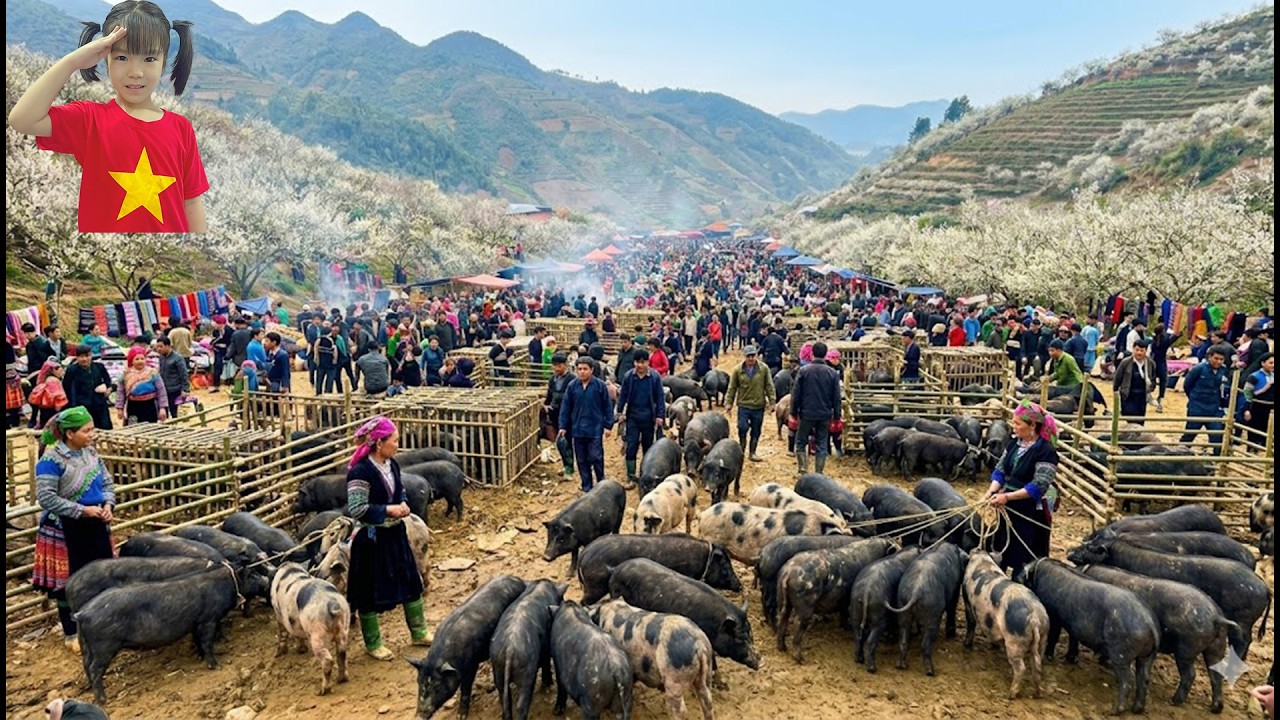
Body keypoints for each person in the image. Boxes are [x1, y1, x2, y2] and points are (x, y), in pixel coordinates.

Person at [8, 4, 208, 232]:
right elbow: (22, 120)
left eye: (149, 58)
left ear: (164, 61)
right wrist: (71, 62)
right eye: (122, 57)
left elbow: (191, 202)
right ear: (105, 60)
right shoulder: (89, 119)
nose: (136, 71)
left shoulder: (181, 127)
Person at [344, 416, 431, 659]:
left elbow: (399, 489)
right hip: (371, 539)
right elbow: (357, 508)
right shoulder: (360, 472)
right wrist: (388, 510)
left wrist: (402, 501)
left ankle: (419, 631)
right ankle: (373, 644)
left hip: (394, 534)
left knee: (410, 580)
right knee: (369, 592)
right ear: (379, 443)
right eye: (394, 440)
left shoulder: (392, 465)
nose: (397, 445)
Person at [32, 407, 116, 654]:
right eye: (86, 430)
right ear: (70, 434)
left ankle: (101, 623)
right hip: (64, 527)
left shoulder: (90, 454)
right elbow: (46, 498)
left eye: (92, 430)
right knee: (68, 581)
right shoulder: (50, 461)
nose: (92, 435)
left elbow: (108, 483)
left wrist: (108, 504)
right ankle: (71, 632)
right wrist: (82, 510)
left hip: (96, 522)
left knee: (101, 574)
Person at [985, 402, 1059, 574]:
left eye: (1018, 423)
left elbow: (1037, 487)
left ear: (1032, 425)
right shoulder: (1014, 444)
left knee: (1025, 553)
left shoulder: (1046, 451)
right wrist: (991, 491)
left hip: (1031, 510)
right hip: (1009, 506)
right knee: (1003, 544)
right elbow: (1001, 470)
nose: (1013, 427)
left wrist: (1007, 497)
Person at [558, 357, 614, 492]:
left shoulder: (600, 386)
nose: (582, 372)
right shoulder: (572, 386)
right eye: (579, 369)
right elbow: (565, 407)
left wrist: (608, 425)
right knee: (582, 459)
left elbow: (608, 406)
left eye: (585, 369)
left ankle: (601, 483)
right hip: (577, 428)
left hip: (595, 428)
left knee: (596, 456)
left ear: (592, 370)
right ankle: (587, 486)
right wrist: (563, 426)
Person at [615, 349, 665, 489]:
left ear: (648, 362)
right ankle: (631, 477)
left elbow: (660, 398)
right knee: (631, 446)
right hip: (632, 417)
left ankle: (646, 475)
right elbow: (623, 395)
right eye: (637, 362)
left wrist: (660, 415)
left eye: (642, 362)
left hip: (649, 418)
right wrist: (619, 411)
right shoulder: (629, 377)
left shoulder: (654, 377)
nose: (639, 365)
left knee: (648, 447)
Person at [790, 341, 841, 475]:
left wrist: (793, 412)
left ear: (812, 354)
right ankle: (819, 472)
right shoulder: (832, 373)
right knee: (822, 443)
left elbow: (796, 394)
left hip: (806, 413)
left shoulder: (804, 371)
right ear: (825, 355)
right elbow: (836, 397)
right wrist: (837, 416)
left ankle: (803, 468)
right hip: (824, 414)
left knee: (801, 441)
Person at [726, 345, 776, 463]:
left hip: (758, 405)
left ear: (756, 356)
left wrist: (772, 401)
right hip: (743, 404)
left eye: (753, 356)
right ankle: (742, 450)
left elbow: (769, 385)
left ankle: (752, 452)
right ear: (745, 357)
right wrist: (729, 402)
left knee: (756, 430)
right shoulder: (738, 370)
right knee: (742, 427)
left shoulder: (763, 369)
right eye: (748, 356)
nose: (751, 359)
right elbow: (732, 387)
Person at [1179, 347, 1229, 454]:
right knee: (1190, 434)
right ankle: (1179, 454)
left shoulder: (1224, 370)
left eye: (1221, 359)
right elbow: (1187, 385)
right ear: (1209, 357)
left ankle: (1217, 460)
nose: (1218, 361)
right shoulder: (1199, 369)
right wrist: (1194, 398)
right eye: (1216, 358)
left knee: (1217, 435)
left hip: (1214, 409)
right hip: (1197, 407)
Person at [544, 354, 576, 480]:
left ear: (565, 365)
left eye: (559, 365)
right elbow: (550, 394)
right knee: (559, 441)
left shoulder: (572, 379)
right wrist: (546, 404)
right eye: (555, 366)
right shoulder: (553, 379)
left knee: (566, 440)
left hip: (568, 414)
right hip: (555, 413)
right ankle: (566, 465)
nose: (557, 368)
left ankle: (569, 468)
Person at [117, 346, 168, 424]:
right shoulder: (126, 374)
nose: (140, 361)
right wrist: (120, 408)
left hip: (150, 405)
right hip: (133, 406)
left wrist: (162, 408)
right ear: (132, 360)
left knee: (151, 429)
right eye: (137, 359)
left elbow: (161, 391)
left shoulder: (152, 373)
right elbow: (121, 392)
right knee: (133, 428)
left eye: (142, 359)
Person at [1113, 339, 1156, 422]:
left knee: (1140, 419)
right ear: (1133, 349)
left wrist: (1151, 388)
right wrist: (1116, 391)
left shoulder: (1150, 363)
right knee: (1129, 418)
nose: (1139, 353)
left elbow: (1153, 378)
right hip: (1128, 395)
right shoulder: (1125, 363)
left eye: (1142, 350)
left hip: (1142, 396)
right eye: (1137, 350)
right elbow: (1118, 378)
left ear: (1146, 351)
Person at [1240, 353, 1274, 448]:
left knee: (1267, 430)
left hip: (1270, 407)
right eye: (1270, 363)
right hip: (1257, 406)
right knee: (1254, 429)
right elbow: (1247, 393)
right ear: (1263, 363)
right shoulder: (1254, 376)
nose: (1273, 365)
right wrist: (1247, 409)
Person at [28, 359, 69, 435]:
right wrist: (58, 410)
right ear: (52, 370)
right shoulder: (53, 381)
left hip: (45, 409)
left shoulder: (46, 380)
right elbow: (57, 396)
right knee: (51, 430)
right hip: (52, 410)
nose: (61, 371)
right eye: (57, 369)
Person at [154, 336, 188, 418]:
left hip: (174, 389)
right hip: (163, 389)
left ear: (168, 346)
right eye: (157, 347)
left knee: (174, 412)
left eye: (161, 347)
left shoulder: (177, 358)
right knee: (162, 411)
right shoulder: (161, 357)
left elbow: (183, 374)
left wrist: (185, 389)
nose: (158, 349)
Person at [1149, 322, 1173, 413]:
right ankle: (1160, 400)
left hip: (1153, 363)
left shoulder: (1154, 341)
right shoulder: (1165, 340)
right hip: (1162, 363)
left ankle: (1148, 397)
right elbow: (1172, 339)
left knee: (1151, 382)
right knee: (1163, 382)